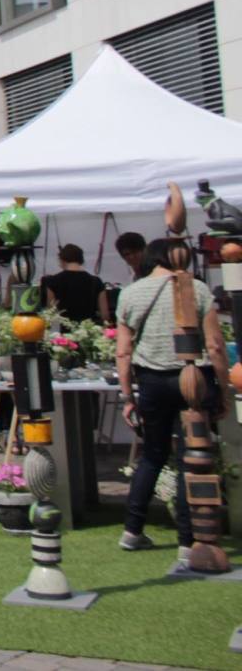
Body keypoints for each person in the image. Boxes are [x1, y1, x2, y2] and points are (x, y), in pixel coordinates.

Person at [116, 238, 230, 557]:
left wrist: (127, 396)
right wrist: (222, 388)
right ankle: (186, 539)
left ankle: (132, 529)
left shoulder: (130, 293)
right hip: (194, 376)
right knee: (189, 458)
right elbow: (216, 344)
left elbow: (123, 351)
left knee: (152, 454)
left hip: (151, 379)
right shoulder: (196, 289)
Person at [42, 244, 109, 325]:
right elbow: (105, 315)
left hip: (63, 332)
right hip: (89, 331)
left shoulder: (52, 281)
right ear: (81, 260)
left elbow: (51, 313)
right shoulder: (96, 281)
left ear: (62, 259)